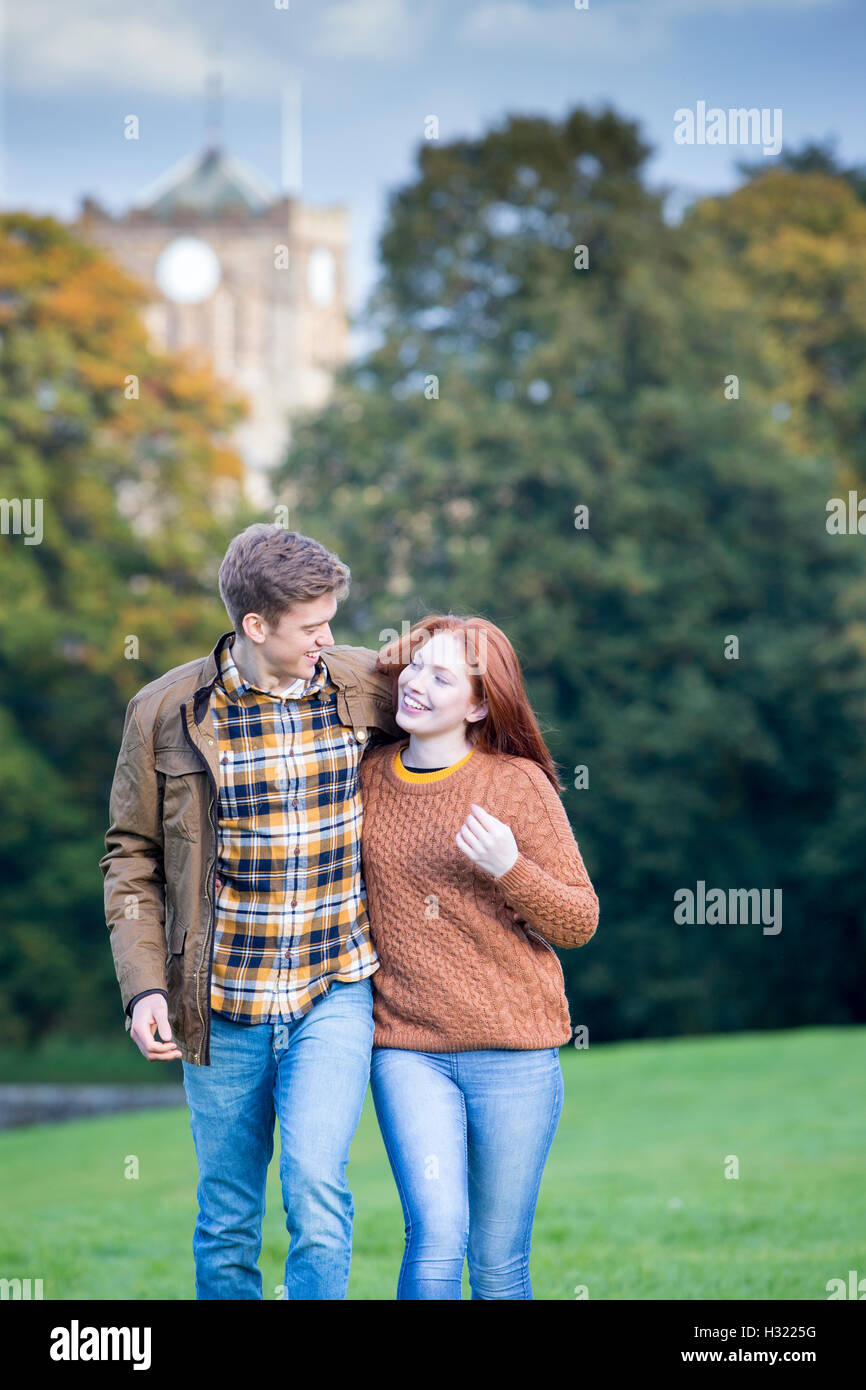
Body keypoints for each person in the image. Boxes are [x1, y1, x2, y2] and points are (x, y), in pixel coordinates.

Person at [100, 523, 408, 1300]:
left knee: (315, 1185)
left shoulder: (364, 682)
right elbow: (130, 856)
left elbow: (463, 726)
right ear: (255, 625)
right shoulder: (163, 711)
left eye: (331, 621)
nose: (327, 639)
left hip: (333, 988)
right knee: (228, 1216)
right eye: (312, 626)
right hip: (220, 1003)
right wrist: (142, 988)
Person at [358, 614, 600, 1300]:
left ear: (479, 704)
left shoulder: (515, 784)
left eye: (443, 675)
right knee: (435, 1234)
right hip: (408, 1050)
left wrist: (510, 868)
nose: (417, 683)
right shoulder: (368, 776)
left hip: (515, 1056)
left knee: (497, 1265)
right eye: (415, 666)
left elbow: (580, 921)